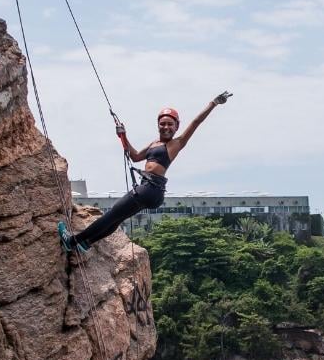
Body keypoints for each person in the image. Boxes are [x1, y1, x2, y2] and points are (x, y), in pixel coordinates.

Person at [58, 91, 232, 251]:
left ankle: (72, 242)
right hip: (150, 191)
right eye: (162, 124)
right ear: (158, 125)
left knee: (111, 215)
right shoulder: (154, 144)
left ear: (177, 127)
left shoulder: (176, 144)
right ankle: (86, 243)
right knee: (117, 219)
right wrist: (123, 135)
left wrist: (214, 103)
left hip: (150, 189)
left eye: (170, 124)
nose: (166, 127)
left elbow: (196, 122)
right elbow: (134, 156)